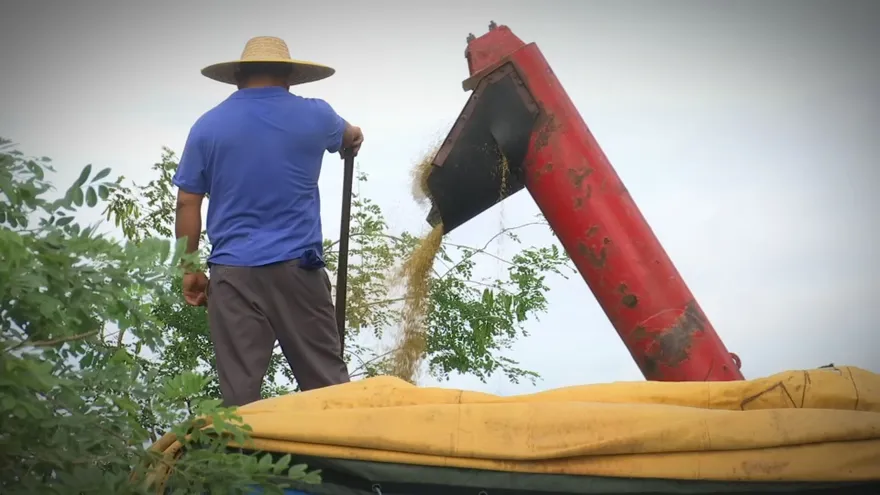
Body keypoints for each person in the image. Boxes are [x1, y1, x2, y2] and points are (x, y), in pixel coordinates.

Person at [172, 36, 363, 407]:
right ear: (289, 77)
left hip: (232, 275)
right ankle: (340, 460)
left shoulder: (207, 126)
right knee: (329, 389)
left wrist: (190, 268)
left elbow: (187, 202)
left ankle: (244, 464)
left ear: (238, 77)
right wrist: (352, 139)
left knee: (240, 401)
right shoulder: (317, 115)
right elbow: (349, 135)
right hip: (299, 272)